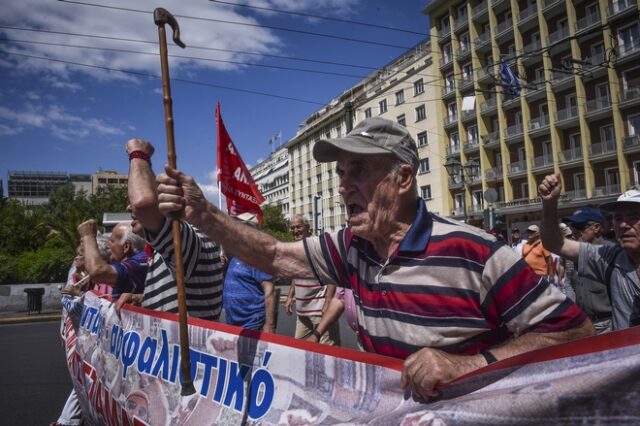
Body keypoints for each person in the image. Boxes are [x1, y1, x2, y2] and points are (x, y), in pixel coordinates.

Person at [155, 116, 593, 402]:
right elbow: (273, 255)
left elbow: (576, 333)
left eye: (359, 171)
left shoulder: (474, 252)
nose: (344, 186)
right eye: (341, 174)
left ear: (403, 178)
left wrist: (469, 364)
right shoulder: (351, 246)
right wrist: (204, 214)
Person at [116, 139, 224, 320]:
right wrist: (144, 299)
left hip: (187, 348)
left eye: (159, 197)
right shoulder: (167, 250)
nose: (129, 208)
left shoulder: (191, 241)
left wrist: (139, 154)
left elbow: (143, 203)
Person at [540, 173, 640, 330]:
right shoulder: (609, 258)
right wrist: (549, 204)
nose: (623, 225)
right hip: (624, 352)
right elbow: (555, 243)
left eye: (634, 217)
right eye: (618, 218)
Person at [285, 214, 340, 345]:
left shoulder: (318, 245)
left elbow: (332, 274)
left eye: (298, 227)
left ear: (307, 228)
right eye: (292, 228)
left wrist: (327, 302)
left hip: (320, 310)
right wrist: (289, 297)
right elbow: (295, 275)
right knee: (300, 349)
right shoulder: (294, 248)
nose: (295, 230)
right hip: (302, 312)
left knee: (328, 351)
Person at [562, 206, 614, 333]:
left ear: (596, 227)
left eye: (579, 226)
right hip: (586, 323)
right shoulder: (575, 254)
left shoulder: (611, 253)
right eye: (572, 226)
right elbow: (570, 283)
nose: (574, 231)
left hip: (607, 324)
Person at [222, 212, 277, 332]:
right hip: (233, 325)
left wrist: (269, 325)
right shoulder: (236, 254)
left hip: (252, 325)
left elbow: (269, 292)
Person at [78, 219, 148, 301]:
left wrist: (87, 235)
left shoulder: (140, 262)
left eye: (111, 241)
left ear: (126, 246)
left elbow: (97, 272)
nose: (107, 245)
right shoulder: (135, 264)